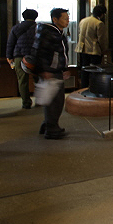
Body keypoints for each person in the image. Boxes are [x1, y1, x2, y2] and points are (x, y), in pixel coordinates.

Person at [27, 8, 70, 139]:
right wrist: (45, 70)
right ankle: (52, 129)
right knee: (55, 101)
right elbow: (40, 52)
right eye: (65, 18)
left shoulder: (58, 33)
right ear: (55, 19)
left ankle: (47, 125)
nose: (67, 20)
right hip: (50, 71)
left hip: (55, 69)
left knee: (53, 99)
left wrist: (64, 68)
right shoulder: (49, 33)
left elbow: (61, 53)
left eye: (68, 18)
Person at [5, 9, 38, 109]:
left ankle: (26, 102)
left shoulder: (16, 28)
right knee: (38, 79)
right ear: (35, 17)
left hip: (19, 56)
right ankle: (40, 101)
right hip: (35, 56)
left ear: (24, 16)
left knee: (22, 80)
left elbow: (10, 43)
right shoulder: (39, 28)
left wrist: (9, 56)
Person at [75, 4, 107, 89]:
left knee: (84, 70)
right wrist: (104, 50)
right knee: (95, 70)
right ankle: (94, 88)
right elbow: (101, 39)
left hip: (82, 49)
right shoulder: (99, 23)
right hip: (94, 50)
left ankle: (84, 88)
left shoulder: (83, 20)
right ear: (102, 14)